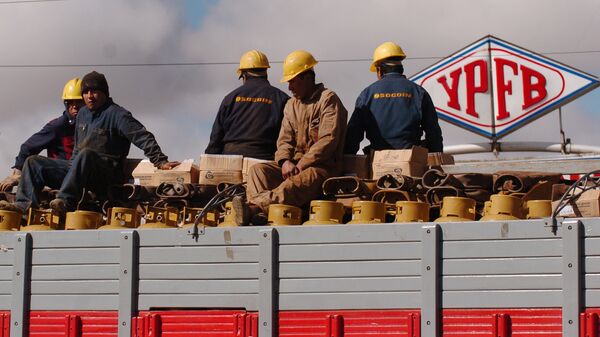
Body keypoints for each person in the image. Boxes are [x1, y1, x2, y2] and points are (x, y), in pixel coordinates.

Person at [0, 71, 179, 215]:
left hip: (105, 174)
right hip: (78, 169)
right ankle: (24, 206)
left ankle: (65, 202)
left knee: (86, 154)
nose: (89, 96)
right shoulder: (83, 114)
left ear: (104, 93)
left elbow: (142, 135)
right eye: (86, 92)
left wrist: (160, 161)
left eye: (94, 91)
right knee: (33, 162)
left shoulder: (118, 115)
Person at [234, 50, 348, 225]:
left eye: (293, 81)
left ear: (306, 77)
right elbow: (284, 140)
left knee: (292, 185)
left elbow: (328, 140)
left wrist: (301, 164)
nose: (289, 88)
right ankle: (259, 214)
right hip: (293, 166)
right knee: (257, 171)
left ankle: (252, 208)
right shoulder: (291, 105)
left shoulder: (328, 99)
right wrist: (285, 162)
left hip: (321, 169)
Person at [344, 41, 443, 154]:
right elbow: (433, 132)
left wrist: (347, 161)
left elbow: (353, 134)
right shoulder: (418, 92)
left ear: (379, 70)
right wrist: (436, 159)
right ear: (401, 68)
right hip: (412, 163)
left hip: (378, 163)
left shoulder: (367, 95)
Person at [0, 78, 84, 192]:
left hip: (83, 177)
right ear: (66, 103)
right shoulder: (58, 126)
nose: (74, 106)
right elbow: (28, 147)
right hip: (63, 176)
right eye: (70, 102)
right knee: (34, 162)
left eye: (79, 102)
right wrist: (17, 173)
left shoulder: (92, 125)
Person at [205, 50, 289, 160]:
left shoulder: (230, 98)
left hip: (231, 161)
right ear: (266, 72)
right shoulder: (282, 99)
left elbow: (216, 138)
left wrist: (209, 163)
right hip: (265, 162)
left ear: (243, 75)